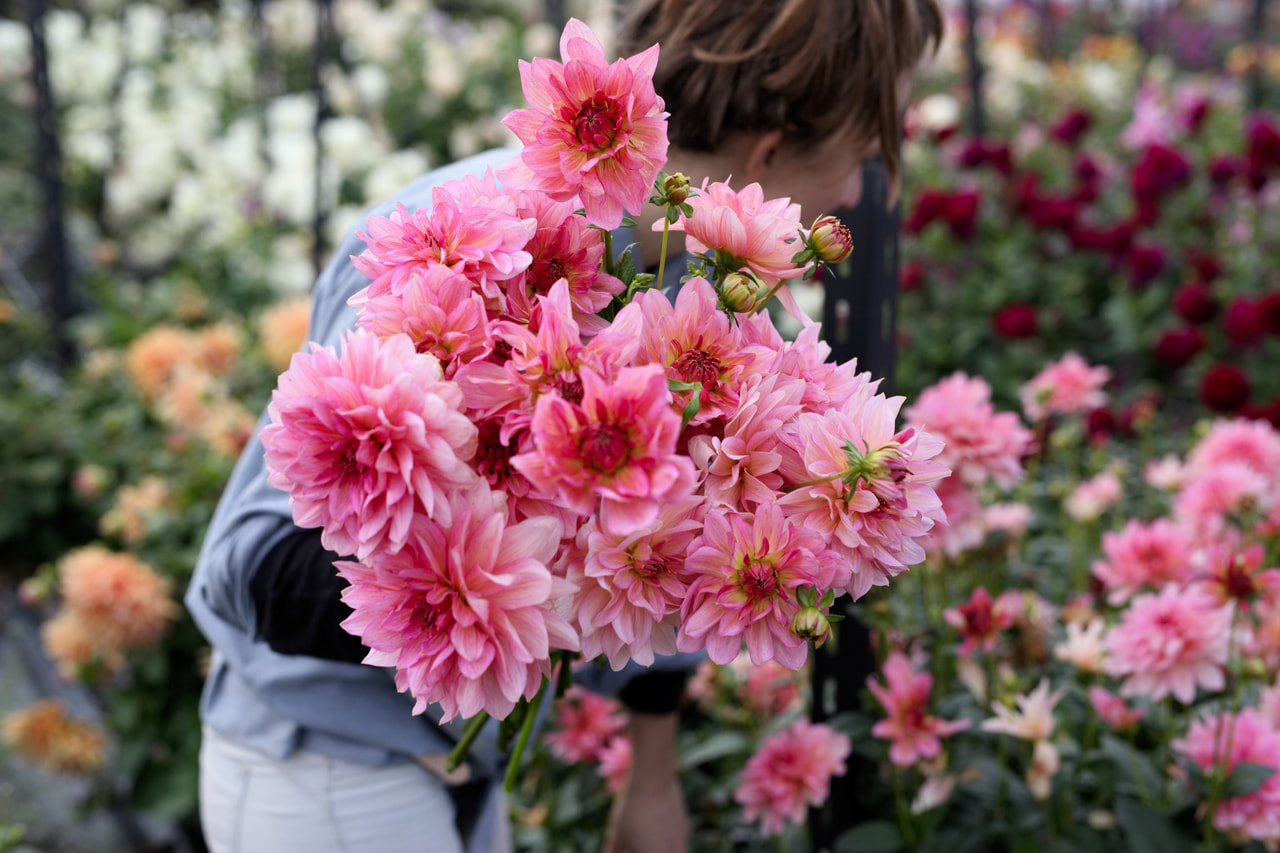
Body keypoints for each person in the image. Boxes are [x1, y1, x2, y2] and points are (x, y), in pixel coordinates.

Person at [185, 1, 943, 851]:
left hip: (455, 769)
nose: (855, 192)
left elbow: (674, 562)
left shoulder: (724, 305)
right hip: (321, 771)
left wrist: (650, 776)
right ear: (769, 150)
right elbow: (246, 573)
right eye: (867, 156)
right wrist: (530, 562)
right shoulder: (457, 238)